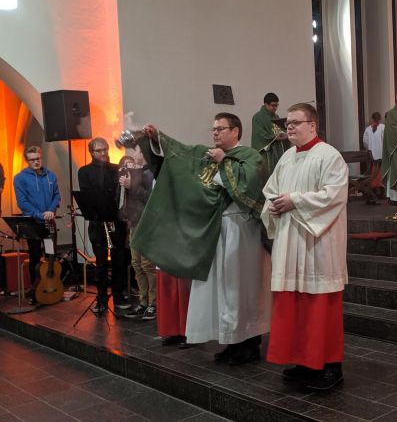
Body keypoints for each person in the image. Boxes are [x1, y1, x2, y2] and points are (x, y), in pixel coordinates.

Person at [133, 113, 271, 364]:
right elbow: (181, 154)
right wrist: (157, 138)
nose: (215, 132)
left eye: (221, 128)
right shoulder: (206, 155)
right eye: (213, 128)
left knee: (240, 288)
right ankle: (231, 341)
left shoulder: (251, 155)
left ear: (236, 131)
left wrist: (224, 161)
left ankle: (250, 344)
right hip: (215, 230)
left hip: (241, 230)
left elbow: (250, 183)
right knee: (222, 289)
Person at [262, 102, 349, 391]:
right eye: (287, 123)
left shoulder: (329, 156)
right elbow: (271, 191)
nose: (289, 127)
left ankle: (329, 368)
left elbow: (334, 196)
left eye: (295, 122)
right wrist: (273, 206)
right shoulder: (286, 157)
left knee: (320, 307)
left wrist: (295, 200)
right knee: (295, 306)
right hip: (290, 242)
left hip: (317, 244)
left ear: (312, 125)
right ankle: (302, 362)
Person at [78, 137, 130, 314]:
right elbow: (88, 195)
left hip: (116, 221)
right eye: (99, 150)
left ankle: (118, 297)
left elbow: (120, 194)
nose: (103, 153)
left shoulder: (116, 169)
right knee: (100, 263)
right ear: (92, 152)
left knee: (119, 260)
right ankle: (101, 299)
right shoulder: (84, 171)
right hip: (98, 221)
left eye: (105, 149)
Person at [13, 146, 61, 303]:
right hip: (33, 224)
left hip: (49, 223)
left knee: (51, 255)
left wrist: (51, 210)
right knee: (35, 256)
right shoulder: (20, 178)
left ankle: (51, 287)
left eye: (38, 158)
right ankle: (35, 290)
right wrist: (40, 214)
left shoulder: (51, 176)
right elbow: (22, 203)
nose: (36, 162)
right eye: (32, 159)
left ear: (41, 157)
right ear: (27, 161)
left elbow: (56, 196)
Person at [118, 148, 157, 320]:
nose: (134, 155)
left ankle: (154, 303)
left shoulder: (151, 173)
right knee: (136, 263)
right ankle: (143, 302)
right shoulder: (136, 173)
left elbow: (151, 198)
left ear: (145, 154)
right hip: (134, 222)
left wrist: (131, 185)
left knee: (147, 264)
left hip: (147, 224)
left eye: (137, 152)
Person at [251, 92, 289, 174]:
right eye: (273, 105)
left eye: (277, 105)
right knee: (268, 173)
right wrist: (274, 137)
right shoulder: (257, 117)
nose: (275, 108)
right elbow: (259, 134)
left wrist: (284, 133)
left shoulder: (276, 116)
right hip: (267, 151)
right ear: (266, 104)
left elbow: (279, 130)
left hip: (278, 148)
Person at [362, 112, 385, 195]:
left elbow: (365, 142)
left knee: (374, 169)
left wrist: (369, 148)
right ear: (380, 119)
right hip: (381, 153)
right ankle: (379, 187)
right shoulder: (383, 127)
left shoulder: (368, 129)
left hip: (371, 154)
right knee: (379, 170)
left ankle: (374, 187)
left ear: (372, 119)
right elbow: (385, 140)